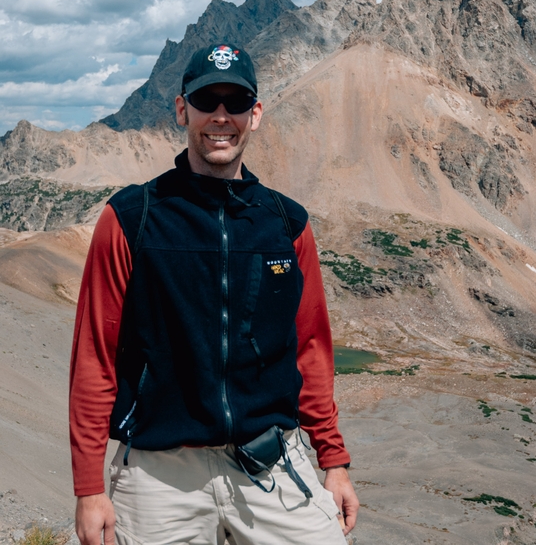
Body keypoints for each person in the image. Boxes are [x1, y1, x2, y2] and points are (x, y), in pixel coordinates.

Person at [70, 43, 359, 545]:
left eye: (236, 102)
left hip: (270, 463)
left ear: (256, 113)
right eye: (207, 101)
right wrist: (89, 487)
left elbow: (310, 347)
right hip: (159, 477)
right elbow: (95, 356)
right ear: (183, 109)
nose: (221, 116)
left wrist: (332, 460)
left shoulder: (288, 224)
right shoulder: (131, 219)